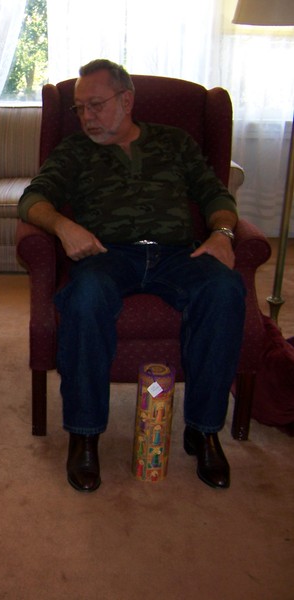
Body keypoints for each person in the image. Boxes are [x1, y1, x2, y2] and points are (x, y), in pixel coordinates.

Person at [18, 59, 245, 493]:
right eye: (79, 108)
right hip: (107, 254)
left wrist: (222, 233)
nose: (86, 116)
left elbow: (215, 194)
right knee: (84, 296)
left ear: (126, 100)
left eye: (96, 105)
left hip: (179, 253)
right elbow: (32, 200)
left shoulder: (174, 142)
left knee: (224, 289)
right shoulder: (75, 150)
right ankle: (84, 435)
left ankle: (204, 430)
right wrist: (64, 226)